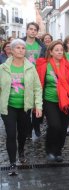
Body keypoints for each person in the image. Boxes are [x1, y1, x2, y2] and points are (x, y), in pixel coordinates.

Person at [0, 39, 43, 175]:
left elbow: (37, 88)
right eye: (17, 48)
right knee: (11, 134)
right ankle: (13, 163)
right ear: (11, 51)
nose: (20, 50)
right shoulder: (3, 68)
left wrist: (38, 106)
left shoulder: (30, 67)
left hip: (25, 107)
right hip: (8, 106)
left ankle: (21, 151)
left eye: (23, 48)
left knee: (22, 133)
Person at [36, 40, 69, 162]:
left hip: (65, 101)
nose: (59, 52)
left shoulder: (68, 66)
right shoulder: (43, 65)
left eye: (61, 50)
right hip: (49, 100)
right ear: (50, 52)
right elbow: (38, 83)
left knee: (63, 128)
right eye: (56, 50)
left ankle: (58, 151)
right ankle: (50, 150)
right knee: (54, 125)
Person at [22, 22, 46, 138]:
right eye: (30, 29)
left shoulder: (41, 46)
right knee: (26, 105)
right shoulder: (20, 44)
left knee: (37, 104)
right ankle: (26, 129)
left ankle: (36, 126)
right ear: (26, 30)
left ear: (37, 32)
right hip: (24, 77)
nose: (32, 31)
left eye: (35, 30)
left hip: (38, 78)